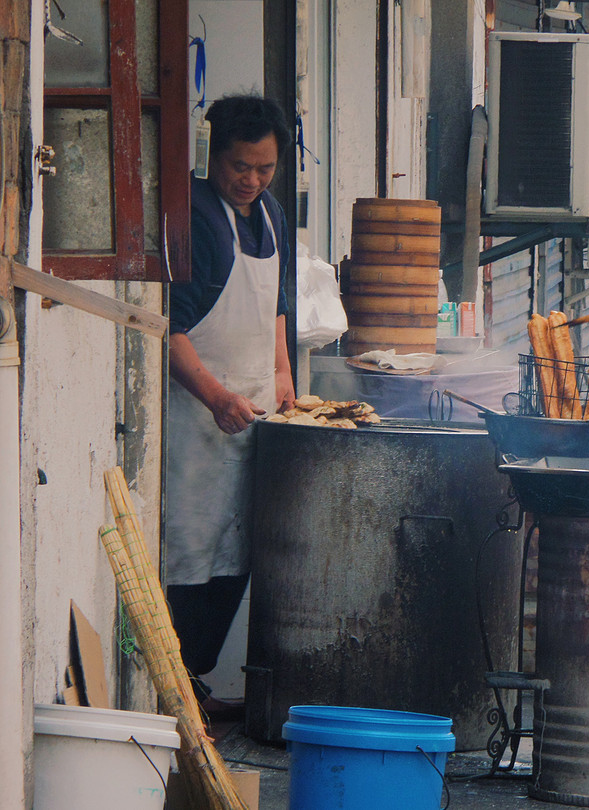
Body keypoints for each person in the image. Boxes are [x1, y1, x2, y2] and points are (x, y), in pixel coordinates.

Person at [167, 94, 295, 714]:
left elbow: (276, 307)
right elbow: (170, 332)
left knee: (238, 555)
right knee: (190, 554)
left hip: (255, 416)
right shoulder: (193, 216)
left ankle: (197, 681)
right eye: (240, 166)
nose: (251, 180)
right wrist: (216, 397)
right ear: (211, 155)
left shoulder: (270, 215)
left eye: (264, 168)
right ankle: (175, 693)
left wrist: (282, 376)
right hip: (194, 421)